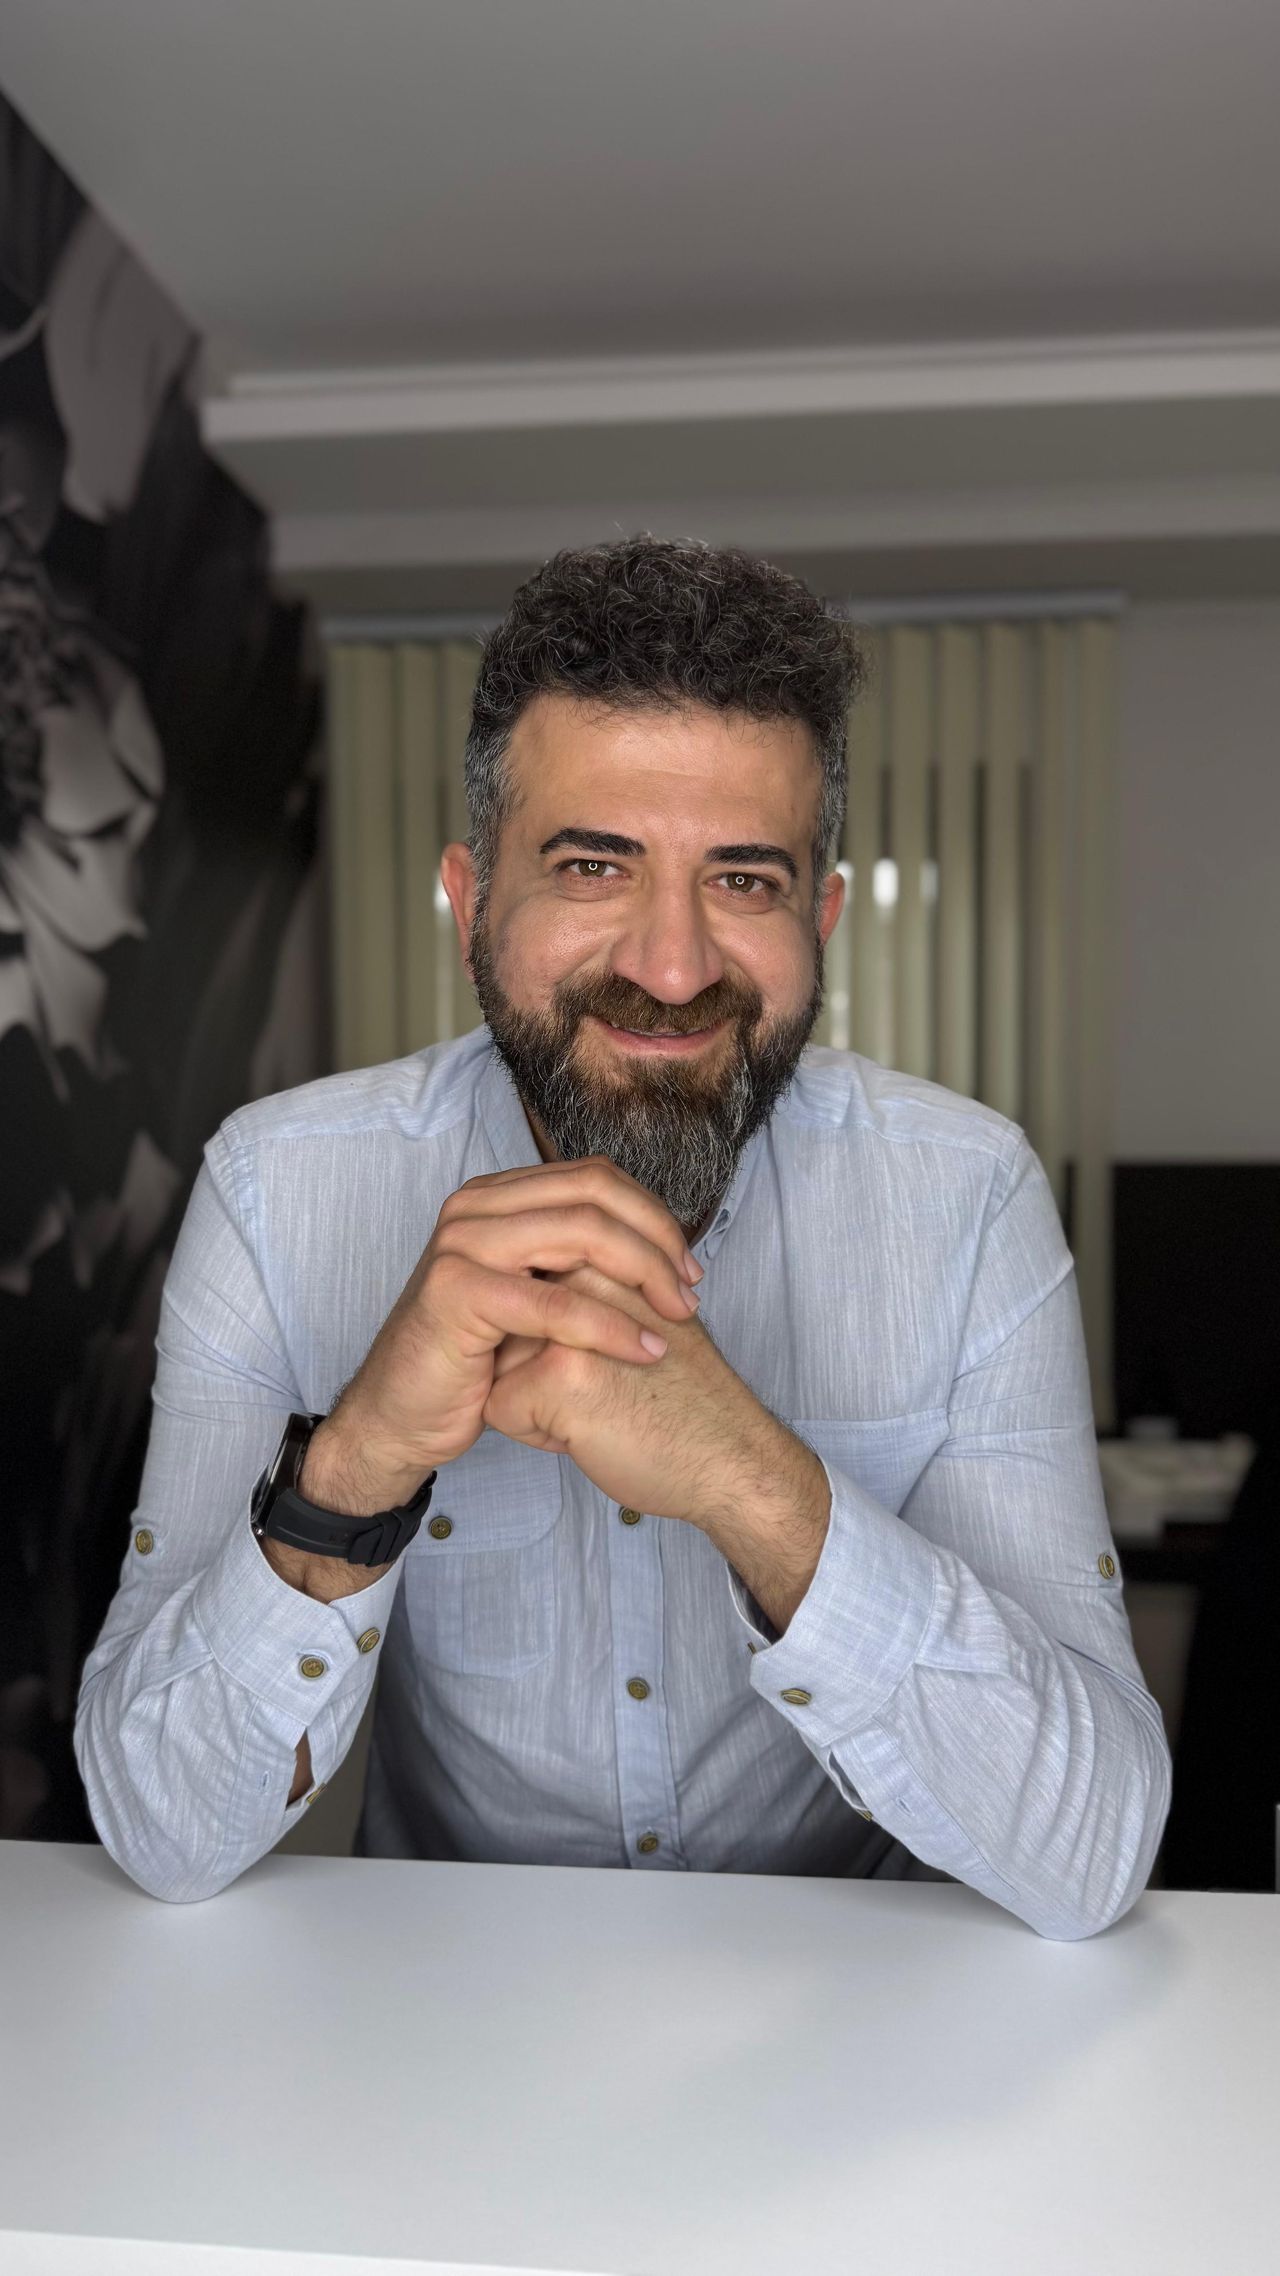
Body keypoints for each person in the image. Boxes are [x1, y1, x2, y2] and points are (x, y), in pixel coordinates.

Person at [75, 534, 1171, 1936]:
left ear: (823, 920)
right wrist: (354, 1467)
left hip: (869, 2013)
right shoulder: (279, 1192)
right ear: (473, 904)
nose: (671, 963)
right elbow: (163, 1832)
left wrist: (753, 1484)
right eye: (594, 865)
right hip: (449, 2019)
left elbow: (1094, 1850)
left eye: (745, 881)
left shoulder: (969, 1200)